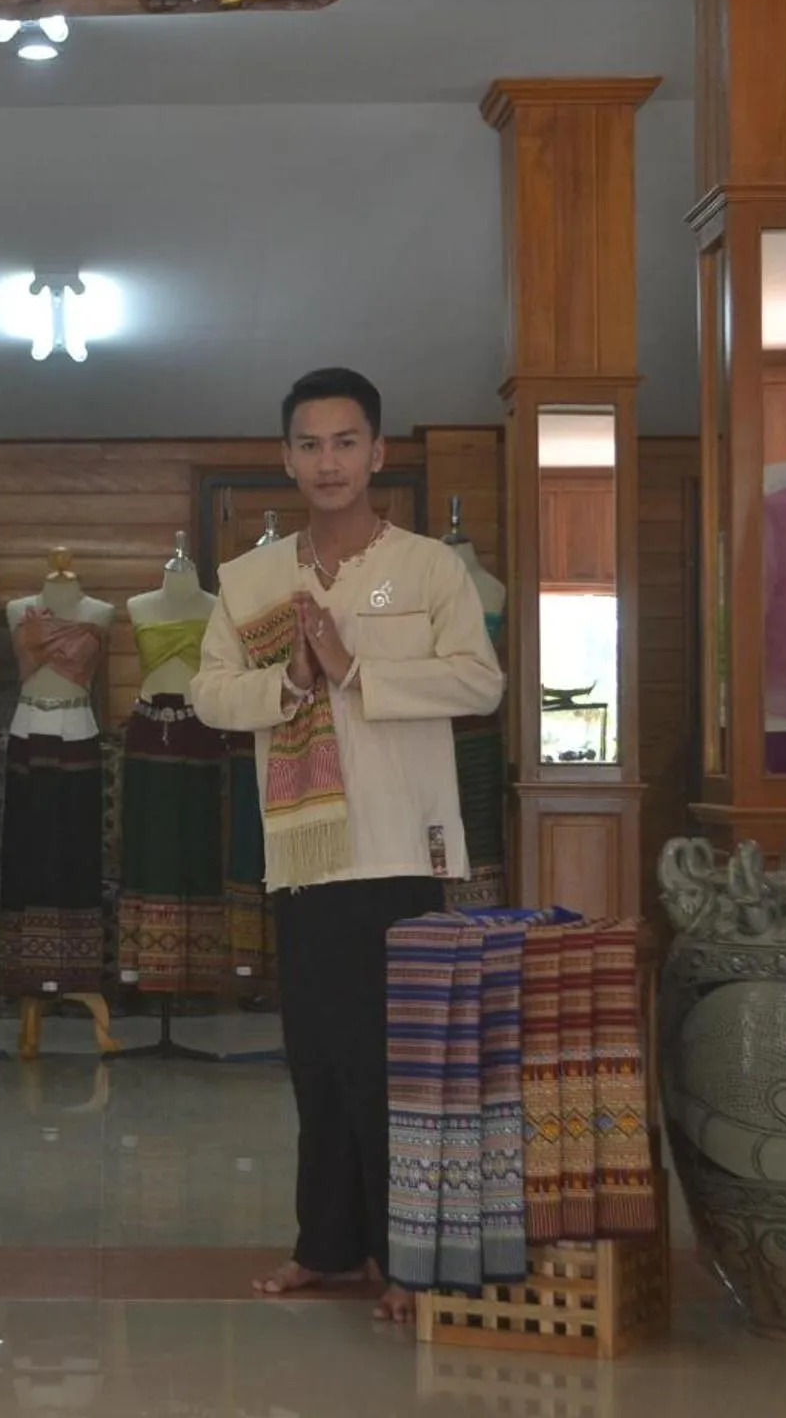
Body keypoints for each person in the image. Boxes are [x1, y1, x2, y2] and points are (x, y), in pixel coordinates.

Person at [190, 368, 504, 1324]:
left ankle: (406, 1256)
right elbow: (208, 693)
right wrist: (285, 684)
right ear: (287, 458)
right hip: (304, 850)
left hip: (403, 846)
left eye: (346, 442)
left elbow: (478, 685)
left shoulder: (427, 568)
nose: (328, 462)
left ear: (376, 453)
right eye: (309, 445)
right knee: (318, 1056)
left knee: (394, 1064)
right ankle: (326, 1248)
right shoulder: (252, 581)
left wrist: (355, 668)